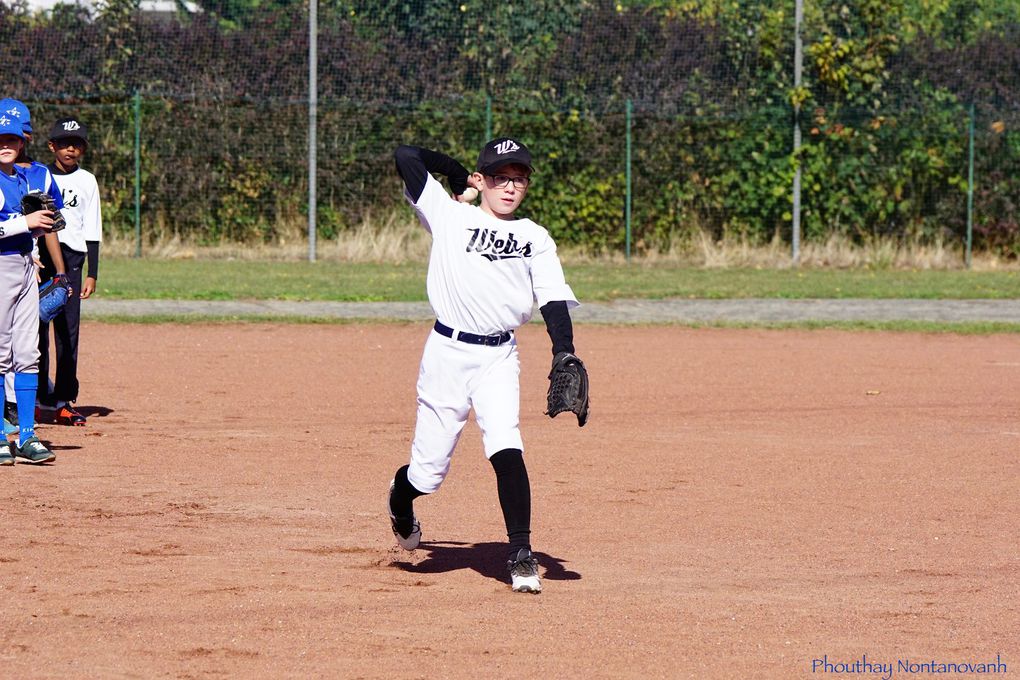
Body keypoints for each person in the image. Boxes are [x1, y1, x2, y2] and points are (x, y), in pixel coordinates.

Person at [387, 138, 584, 594]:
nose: (509, 187)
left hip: (499, 356)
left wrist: (564, 350)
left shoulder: (535, 237)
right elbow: (405, 155)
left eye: (518, 178)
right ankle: (401, 498)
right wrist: (458, 176)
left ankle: (520, 553)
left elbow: (553, 297)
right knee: (427, 474)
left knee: (506, 444)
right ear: (482, 181)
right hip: (447, 355)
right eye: (498, 177)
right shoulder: (451, 215)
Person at [0, 98, 68, 433]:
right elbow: (15, 224)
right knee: (1, 351)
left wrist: (41, 231)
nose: (5, 145)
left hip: (26, 265)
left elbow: (45, 223)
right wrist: (24, 224)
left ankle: (25, 431)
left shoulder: (27, 179)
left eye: (11, 139)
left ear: (24, 139)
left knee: (27, 350)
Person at [35, 115, 102, 426]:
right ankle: (39, 396)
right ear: (52, 146)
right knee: (34, 329)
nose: (70, 149)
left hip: (73, 259)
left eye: (76, 144)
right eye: (63, 143)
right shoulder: (38, 176)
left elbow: (93, 227)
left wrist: (92, 271)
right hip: (40, 259)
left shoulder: (87, 180)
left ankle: (63, 399)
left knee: (67, 330)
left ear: (83, 150)